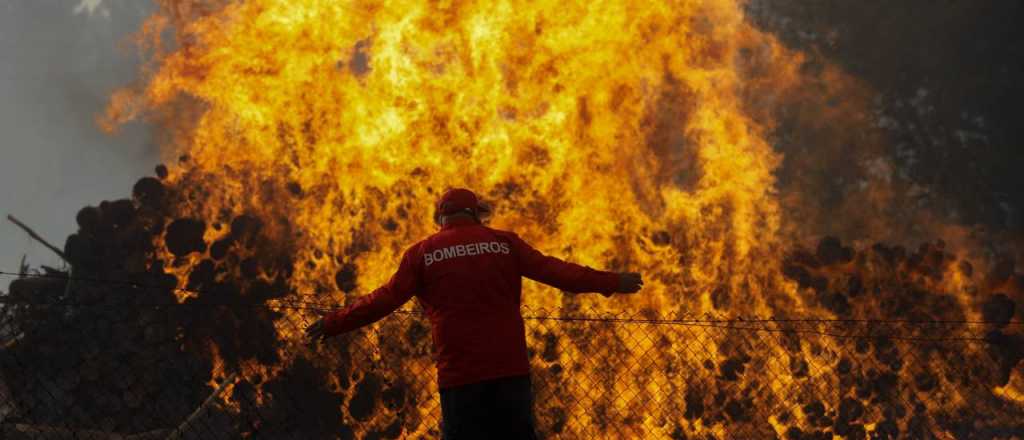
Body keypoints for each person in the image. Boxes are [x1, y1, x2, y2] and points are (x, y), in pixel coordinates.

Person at [305, 188, 643, 439]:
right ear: (476, 214)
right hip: (509, 371)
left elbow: (382, 300)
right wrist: (613, 281)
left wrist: (333, 323)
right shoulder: (504, 243)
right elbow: (560, 272)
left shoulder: (422, 253)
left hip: (460, 376)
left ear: (441, 219)